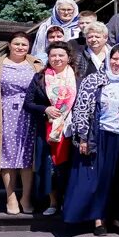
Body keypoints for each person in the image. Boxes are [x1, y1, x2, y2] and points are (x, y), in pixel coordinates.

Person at [64, 44, 119, 234]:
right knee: (99, 179)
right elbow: (80, 109)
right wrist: (82, 137)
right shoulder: (94, 80)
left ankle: (116, 216)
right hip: (100, 136)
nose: (117, 63)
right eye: (114, 58)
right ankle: (99, 219)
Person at [0, 33, 36, 214]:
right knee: (7, 157)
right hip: (4, 114)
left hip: (30, 114)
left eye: (24, 45)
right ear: (9, 45)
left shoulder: (36, 65)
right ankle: (10, 197)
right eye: (17, 44)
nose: (20, 47)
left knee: (27, 158)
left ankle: (26, 197)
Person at [23, 43, 79, 217]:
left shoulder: (77, 77)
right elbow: (28, 103)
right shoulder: (40, 77)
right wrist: (45, 109)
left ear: (68, 57)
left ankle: (68, 202)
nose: (57, 59)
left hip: (70, 129)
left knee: (68, 167)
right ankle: (53, 202)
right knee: (49, 167)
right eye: (53, 55)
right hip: (46, 129)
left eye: (61, 55)